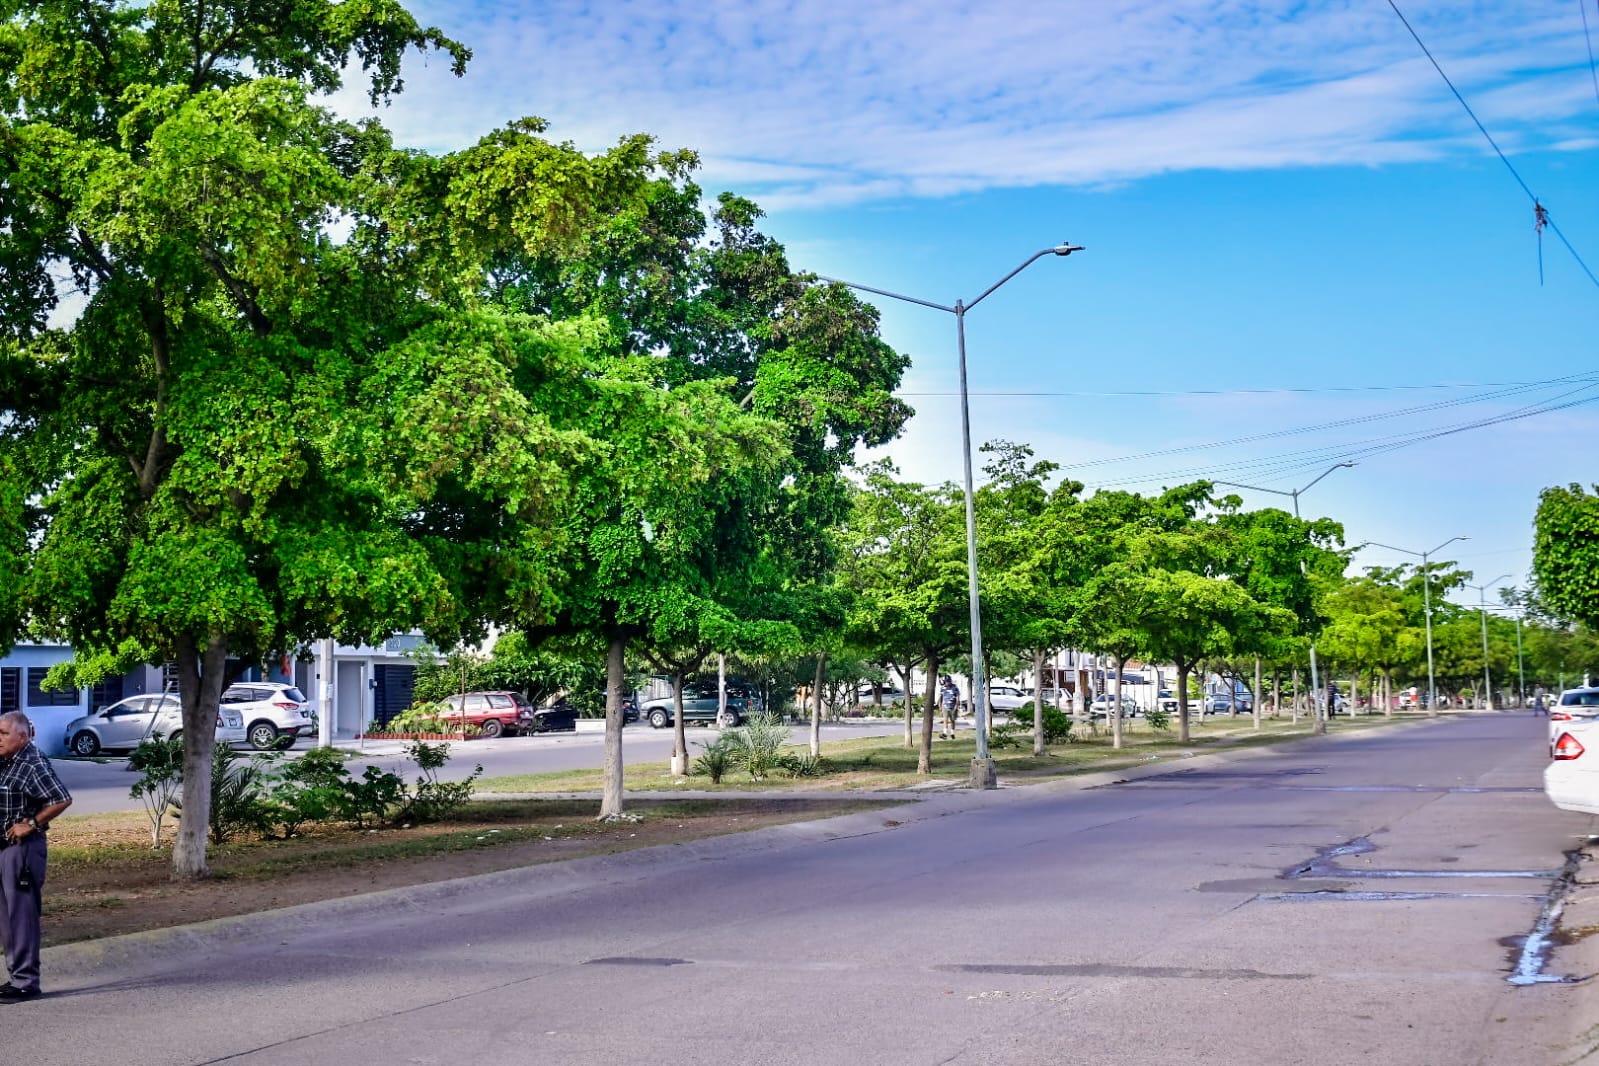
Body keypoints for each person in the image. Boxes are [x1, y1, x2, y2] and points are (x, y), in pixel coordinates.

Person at [0, 711, 72, 1001]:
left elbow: (61, 798)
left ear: (23, 735)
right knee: (6, 917)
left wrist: (30, 824)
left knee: (22, 916)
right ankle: (16, 976)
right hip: (3, 848)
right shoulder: (7, 761)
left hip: (22, 851)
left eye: (4, 733)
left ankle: (27, 982)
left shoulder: (32, 762)